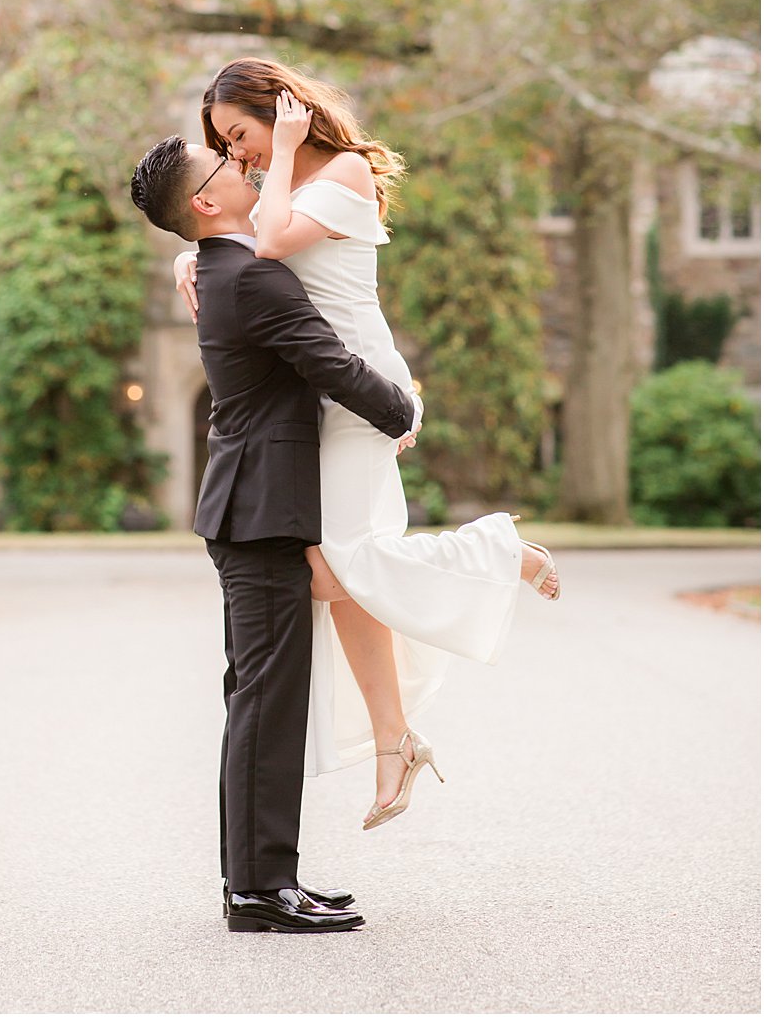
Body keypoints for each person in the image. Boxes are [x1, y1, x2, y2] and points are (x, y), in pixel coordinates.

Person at [173, 58, 560, 830]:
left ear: (281, 113)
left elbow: (273, 242)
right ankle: (394, 741)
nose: (238, 153)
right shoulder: (272, 187)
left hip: (356, 386)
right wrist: (188, 254)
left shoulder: (341, 170)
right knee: (334, 570)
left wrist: (281, 152)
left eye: (240, 134)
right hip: (318, 394)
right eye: (224, 143)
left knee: (341, 565)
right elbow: (240, 241)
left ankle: (498, 553)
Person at [130, 135, 424, 932]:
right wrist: (405, 411)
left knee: (258, 700)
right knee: (265, 703)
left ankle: (257, 882)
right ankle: (260, 891)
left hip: (250, 509)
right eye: (229, 167)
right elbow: (329, 360)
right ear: (205, 202)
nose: (248, 170)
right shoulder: (253, 276)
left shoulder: (231, 269)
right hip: (260, 515)